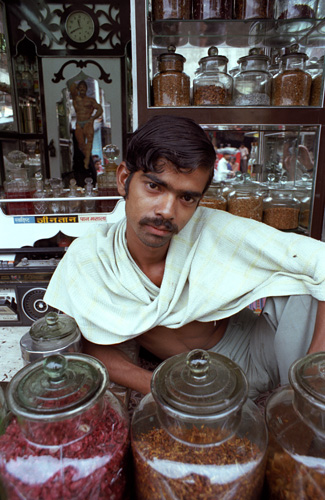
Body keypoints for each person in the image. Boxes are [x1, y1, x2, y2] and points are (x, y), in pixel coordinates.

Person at [44, 115, 325, 400]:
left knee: (306, 290)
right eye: (154, 186)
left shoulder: (212, 228)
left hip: (259, 349)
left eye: (187, 198)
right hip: (191, 371)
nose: (167, 211)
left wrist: (312, 371)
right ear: (124, 180)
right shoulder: (92, 256)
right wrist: (158, 385)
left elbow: (320, 261)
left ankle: (303, 398)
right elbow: (81, 341)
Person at [70, 80, 103, 170]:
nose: (82, 89)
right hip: (79, 123)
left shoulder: (91, 100)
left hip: (88, 122)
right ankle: (87, 161)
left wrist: (93, 118)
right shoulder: (76, 99)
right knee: (80, 144)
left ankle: (87, 162)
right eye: (80, 87)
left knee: (89, 143)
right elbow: (71, 87)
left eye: (83, 87)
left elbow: (100, 109)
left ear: (86, 89)